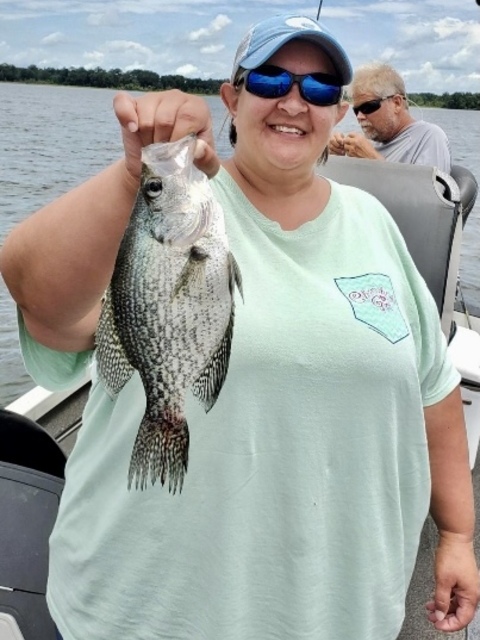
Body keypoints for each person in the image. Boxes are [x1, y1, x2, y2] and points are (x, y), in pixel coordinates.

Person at [0, 12, 478, 640]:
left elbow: (435, 390)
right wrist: (138, 173)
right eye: (271, 79)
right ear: (231, 97)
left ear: (336, 113)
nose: (293, 100)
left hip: (335, 612)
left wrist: (457, 535)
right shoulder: (161, 202)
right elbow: (38, 294)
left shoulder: (372, 222)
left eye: (317, 89)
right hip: (149, 613)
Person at [329, 62, 452, 173]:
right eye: (356, 110)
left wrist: (372, 162)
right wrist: (332, 157)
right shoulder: (373, 143)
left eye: (368, 107)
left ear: (397, 103)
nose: (360, 116)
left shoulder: (430, 137)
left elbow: (428, 196)